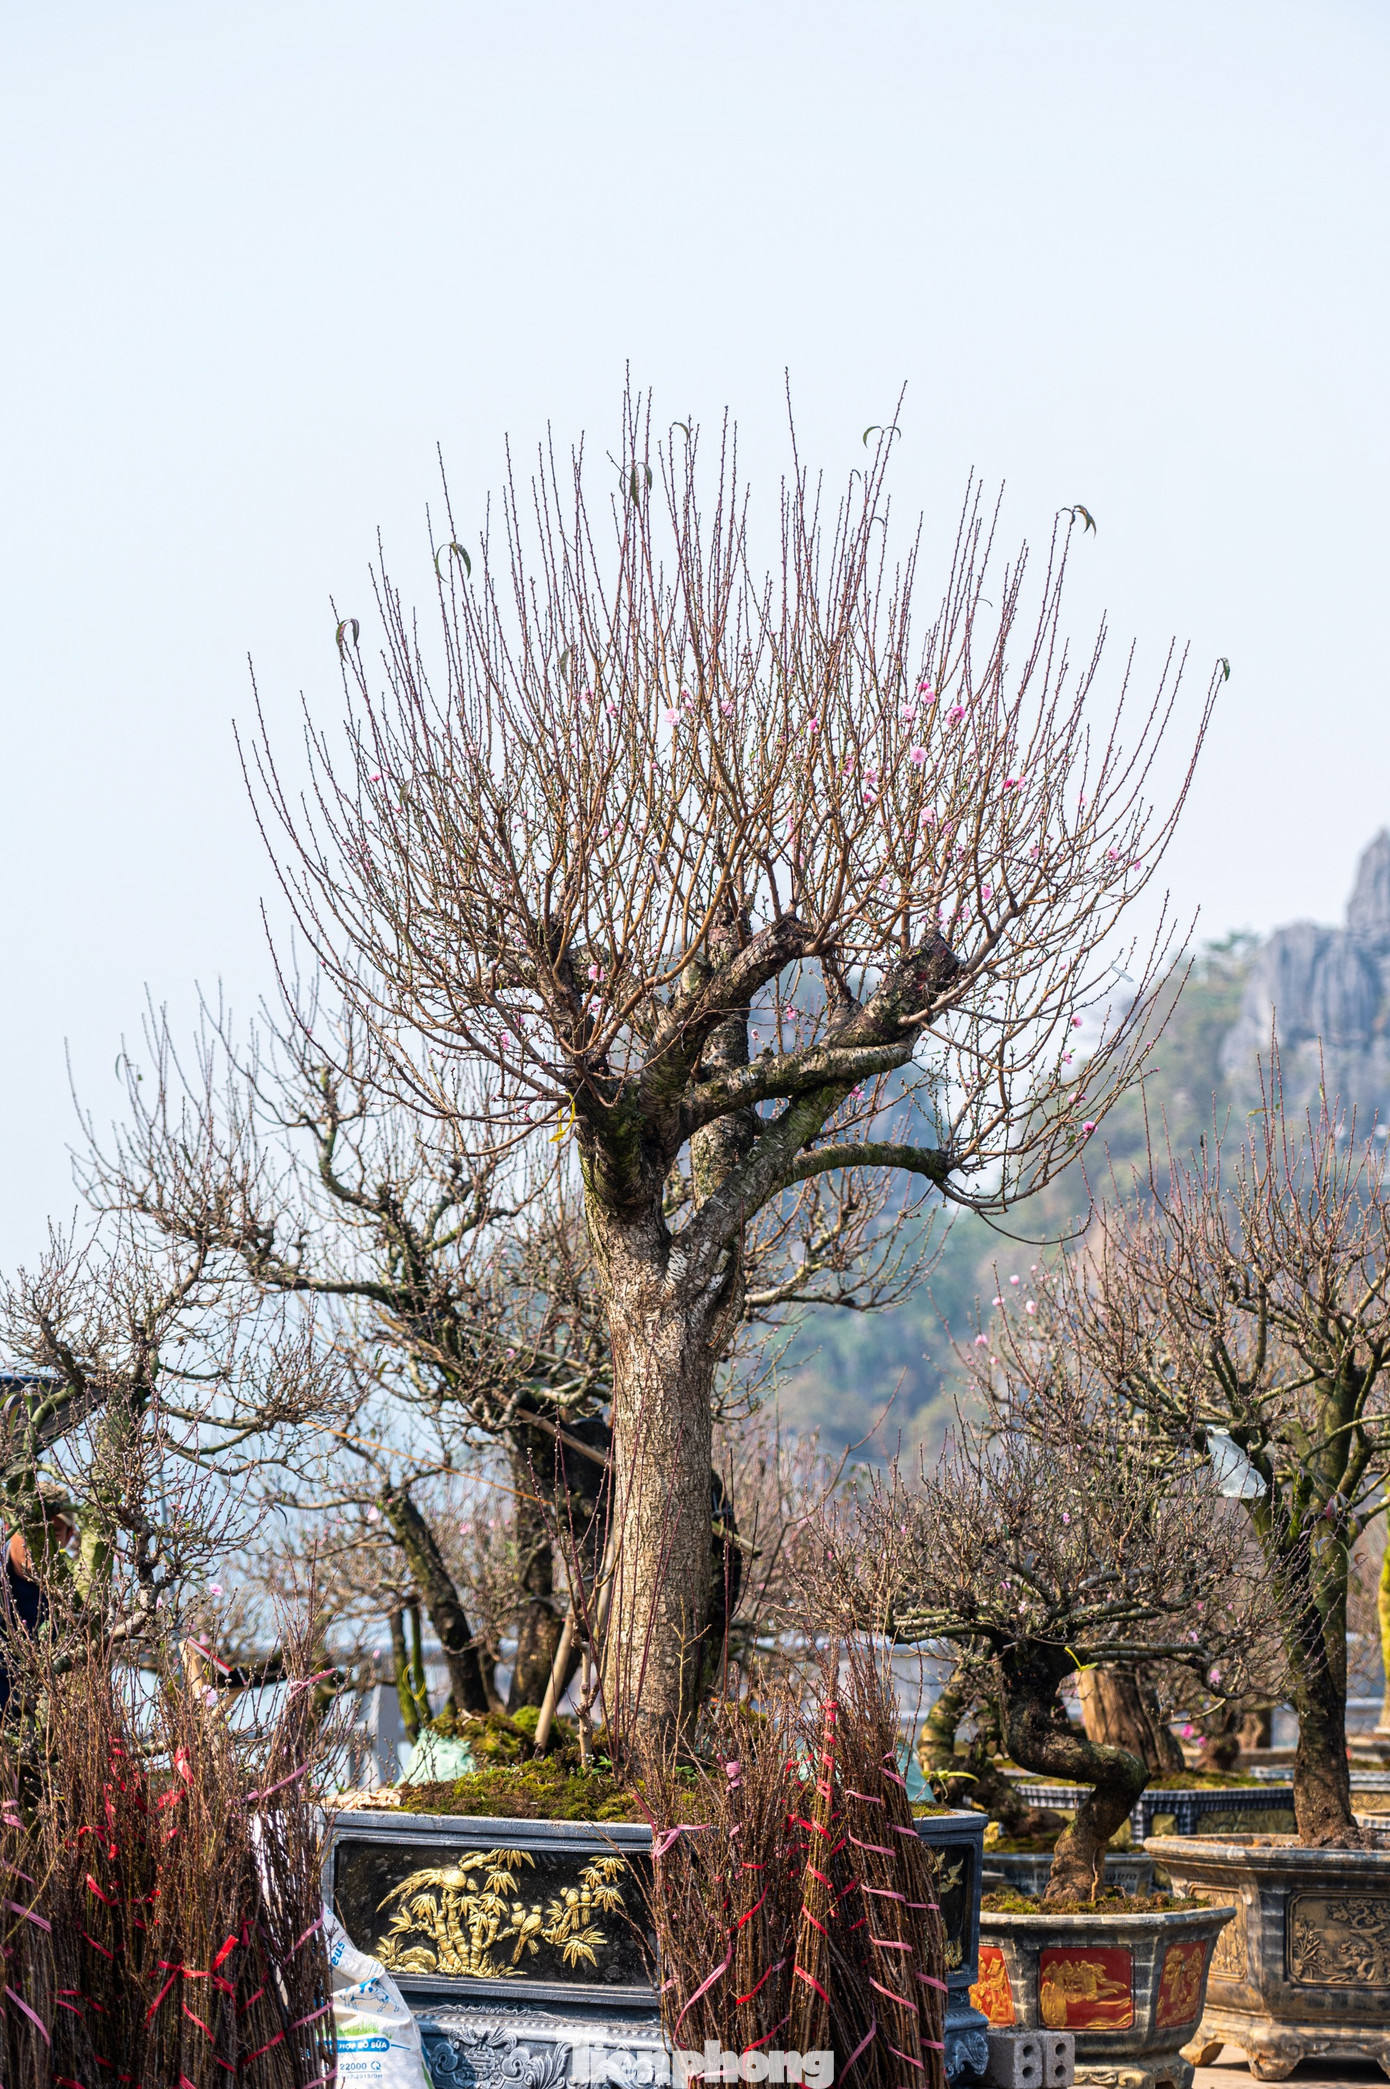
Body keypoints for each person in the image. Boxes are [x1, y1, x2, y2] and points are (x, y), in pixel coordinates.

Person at [0, 1492, 77, 1714]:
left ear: (69, 1535)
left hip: (34, 1727)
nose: (38, 1544)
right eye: (29, 1531)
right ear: (9, 1528)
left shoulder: (74, 1595)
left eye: (52, 1532)